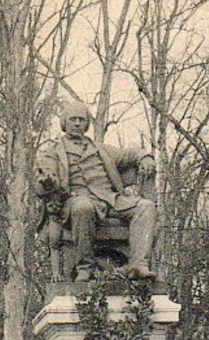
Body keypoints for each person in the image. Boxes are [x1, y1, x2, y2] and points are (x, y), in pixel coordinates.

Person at [36, 99, 157, 281]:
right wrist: (48, 182)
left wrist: (145, 157)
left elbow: (128, 155)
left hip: (111, 199)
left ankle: (138, 265)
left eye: (82, 120)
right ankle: (85, 267)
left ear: (86, 124)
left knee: (145, 206)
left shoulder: (100, 149)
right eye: (73, 119)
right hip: (76, 200)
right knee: (83, 207)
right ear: (64, 122)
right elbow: (44, 180)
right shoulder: (52, 152)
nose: (77, 123)